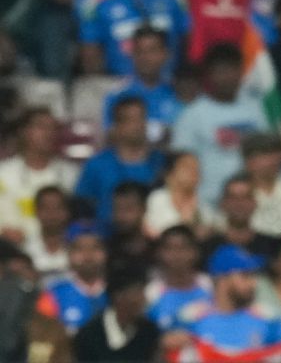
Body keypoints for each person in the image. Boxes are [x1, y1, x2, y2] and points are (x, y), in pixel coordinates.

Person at [171, 45, 269, 206]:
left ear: (241, 72)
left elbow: (267, 153)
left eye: (233, 70)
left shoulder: (256, 109)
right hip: (208, 201)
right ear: (209, 75)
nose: (228, 77)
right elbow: (181, 163)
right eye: (221, 71)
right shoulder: (192, 115)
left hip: (252, 200)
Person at [168, 245, 281, 362]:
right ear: (222, 278)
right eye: (245, 275)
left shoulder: (268, 317)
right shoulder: (190, 316)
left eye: (254, 276)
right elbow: (170, 349)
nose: (253, 283)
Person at [75, 96, 165, 227]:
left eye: (141, 118)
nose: (137, 126)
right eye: (130, 120)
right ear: (117, 126)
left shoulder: (160, 163)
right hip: (106, 235)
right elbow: (83, 209)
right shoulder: (97, 166)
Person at [0, 110, 80, 241]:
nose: (48, 133)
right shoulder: (3, 173)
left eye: (53, 128)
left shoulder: (71, 174)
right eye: (41, 127)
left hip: (59, 247)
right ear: (24, 131)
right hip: (11, 247)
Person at [102, 27, 184, 142]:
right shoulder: (117, 94)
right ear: (132, 54)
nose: (145, 57)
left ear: (165, 54)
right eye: (139, 51)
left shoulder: (178, 93)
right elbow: (110, 135)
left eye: (152, 51)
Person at [73, 266, 160, 363]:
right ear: (118, 296)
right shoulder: (89, 335)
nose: (143, 299)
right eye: (138, 292)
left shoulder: (149, 331)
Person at [38, 222, 107, 332]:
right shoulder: (53, 293)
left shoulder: (116, 291)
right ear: (69, 253)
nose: (88, 256)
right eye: (79, 249)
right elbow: (43, 333)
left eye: (95, 248)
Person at [146, 225, 212, 331]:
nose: (176, 255)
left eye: (183, 248)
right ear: (159, 254)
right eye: (169, 249)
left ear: (195, 252)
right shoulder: (151, 293)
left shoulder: (210, 286)